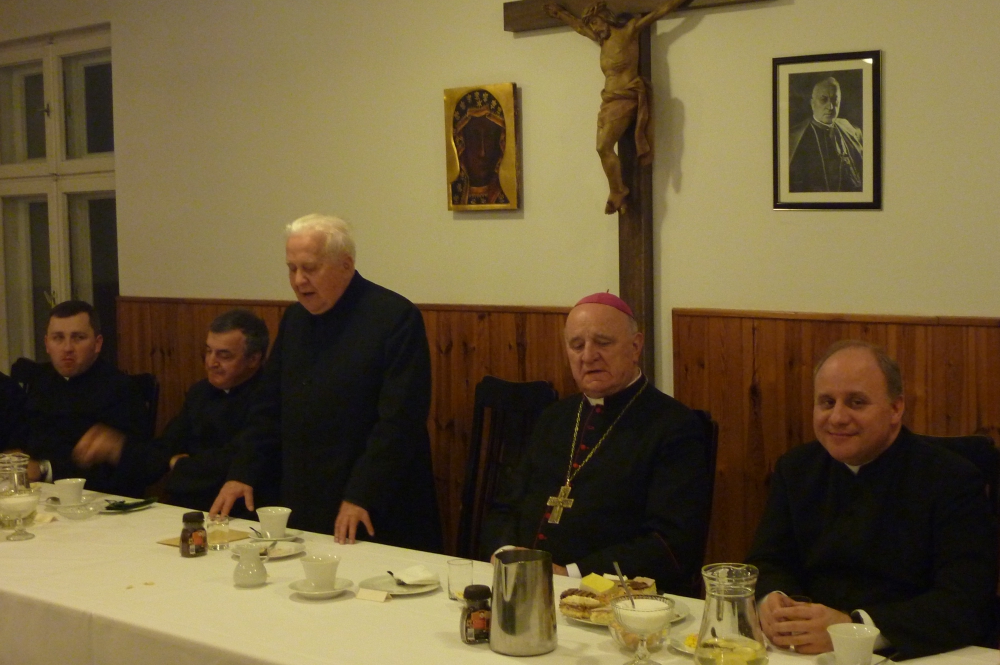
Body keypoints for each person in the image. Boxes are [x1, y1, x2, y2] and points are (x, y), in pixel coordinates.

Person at [747, 340, 998, 659]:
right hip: (804, 651)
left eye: (856, 402)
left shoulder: (952, 478)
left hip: (915, 653)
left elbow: (965, 603)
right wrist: (771, 599)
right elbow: (768, 561)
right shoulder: (796, 468)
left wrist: (854, 629)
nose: (837, 417)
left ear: (896, 408)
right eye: (826, 402)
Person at [211, 214, 442, 551]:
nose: (298, 280)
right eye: (291, 268)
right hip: (306, 495)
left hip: (377, 503)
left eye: (310, 268)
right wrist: (242, 471)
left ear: (346, 265)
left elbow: (399, 421)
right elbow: (268, 407)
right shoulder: (295, 319)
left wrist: (362, 495)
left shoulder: (394, 317)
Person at [492, 292, 712, 595]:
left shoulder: (674, 426)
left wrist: (571, 574)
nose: (588, 356)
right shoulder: (554, 417)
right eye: (577, 345)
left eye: (603, 342)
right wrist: (504, 551)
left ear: (635, 346)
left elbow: (671, 544)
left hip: (617, 601)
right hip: (523, 589)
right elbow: (507, 503)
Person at [71, 309, 271, 514]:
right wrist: (117, 448)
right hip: (186, 505)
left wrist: (179, 465)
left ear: (253, 359)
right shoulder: (200, 392)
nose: (211, 362)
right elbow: (166, 447)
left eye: (224, 355)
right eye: (209, 351)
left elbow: (233, 462)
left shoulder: (268, 400)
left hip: (241, 512)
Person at [544, 0, 712, 214]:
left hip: (626, 98)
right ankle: (618, 189)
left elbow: (658, 12)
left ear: (605, 17)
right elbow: (579, 28)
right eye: (592, 25)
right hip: (608, 100)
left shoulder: (629, 31)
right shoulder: (602, 41)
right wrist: (560, 14)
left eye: (595, 22)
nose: (594, 29)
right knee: (602, 148)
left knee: (602, 147)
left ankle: (617, 191)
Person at [13, 300, 147, 496]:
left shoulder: (120, 389)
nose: (67, 347)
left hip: (96, 500)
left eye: (78, 338)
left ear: (97, 343)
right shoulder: (40, 381)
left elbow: (132, 467)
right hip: (37, 494)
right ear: (47, 344)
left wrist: (44, 469)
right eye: (58, 338)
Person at [788, 76, 863, 192]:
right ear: (812, 103)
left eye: (834, 100)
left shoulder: (852, 131)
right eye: (823, 100)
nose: (830, 107)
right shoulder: (794, 138)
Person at [450, 88, 510, 207]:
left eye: (489, 137)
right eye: (474, 138)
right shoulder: (455, 196)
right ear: (461, 143)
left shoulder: (505, 196)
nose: (482, 152)